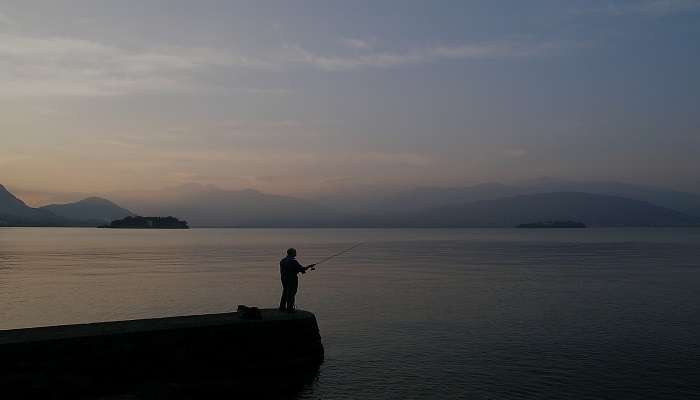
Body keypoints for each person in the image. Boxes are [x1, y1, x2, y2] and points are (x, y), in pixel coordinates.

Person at [279, 248, 315, 312]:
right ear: (292, 253)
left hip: (283, 279)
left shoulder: (282, 260)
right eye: (295, 252)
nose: (296, 253)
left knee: (285, 292)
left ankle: (282, 307)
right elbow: (301, 269)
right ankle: (290, 309)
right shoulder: (293, 261)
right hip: (292, 279)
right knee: (291, 293)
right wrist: (309, 266)